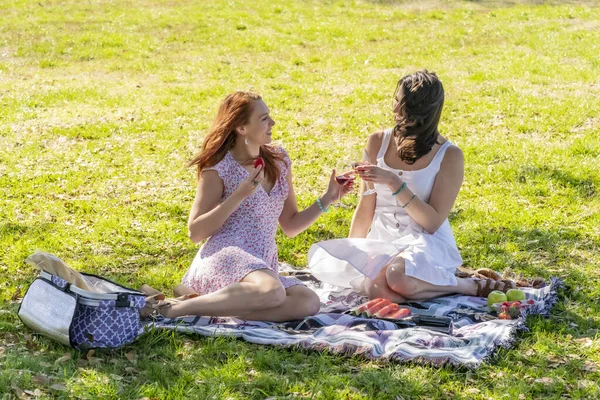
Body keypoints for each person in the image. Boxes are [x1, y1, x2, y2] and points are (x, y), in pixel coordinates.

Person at [142, 91, 352, 321]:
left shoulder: (279, 160)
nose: (272, 122)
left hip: (262, 262)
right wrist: (239, 194)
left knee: (308, 302)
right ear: (242, 128)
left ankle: (198, 302)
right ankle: (172, 310)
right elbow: (195, 232)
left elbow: (290, 226)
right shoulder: (218, 168)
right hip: (226, 256)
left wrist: (328, 198)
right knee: (272, 291)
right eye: (263, 118)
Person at [308, 70, 515, 302]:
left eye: (404, 107)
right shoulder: (378, 141)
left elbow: (432, 222)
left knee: (397, 277)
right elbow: (366, 206)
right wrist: (354, 250)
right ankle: (432, 285)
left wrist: (394, 182)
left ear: (425, 112)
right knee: (377, 289)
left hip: (423, 240)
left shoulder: (449, 156)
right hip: (382, 239)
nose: (396, 111)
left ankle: (466, 285)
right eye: (396, 101)